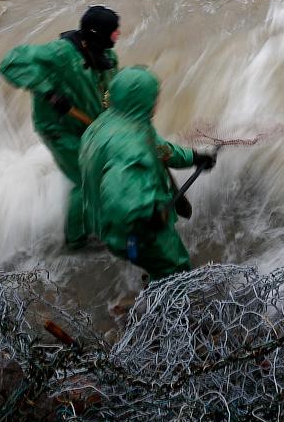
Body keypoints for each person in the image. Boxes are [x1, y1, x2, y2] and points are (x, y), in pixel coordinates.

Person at [0, 6, 121, 249]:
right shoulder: (60, 53)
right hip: (59, 129)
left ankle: (101, 223)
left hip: (88, 126)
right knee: (88, 179)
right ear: (98, 33)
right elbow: (11, 62)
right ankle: (76, 242)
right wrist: (50, 93)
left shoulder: (107, 57)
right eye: (114, 31)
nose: (118, 34)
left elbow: (111, 92)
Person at [79, 66, 216, 281]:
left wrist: (194, 157)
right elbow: (118, 193)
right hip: (137, 231)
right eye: (154, 97)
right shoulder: (131, 148)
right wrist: (148, 214)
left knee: (161, 269)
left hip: (103, 221)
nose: (157, 103)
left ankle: (155, 285)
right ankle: (168, 299)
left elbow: (160, 148)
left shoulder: (109, 123)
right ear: (141, 100)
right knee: (175, 269)